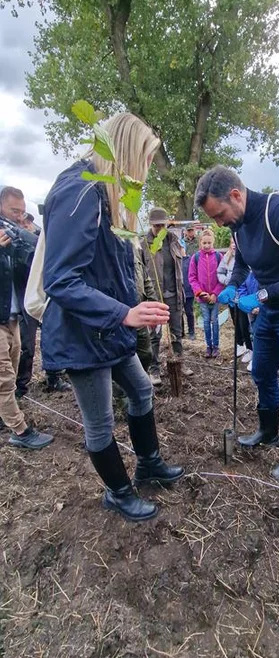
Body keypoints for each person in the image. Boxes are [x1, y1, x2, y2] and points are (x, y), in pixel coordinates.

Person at [41, 113, 184, 523]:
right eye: (143, 158)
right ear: (125, 152)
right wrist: (125, 313)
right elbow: (61, 280)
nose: (144, 171)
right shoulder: (81, 191)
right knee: (100, 421)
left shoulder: (108, 194)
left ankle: (148, 463)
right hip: (82, 333)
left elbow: (111, 267)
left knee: (141, 390)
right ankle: (118, 493)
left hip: (111, 329)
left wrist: (139, 306)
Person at [194, 167, 279, 481]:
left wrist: (264, 295)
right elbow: (242, 261)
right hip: (270, 309)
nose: (219, 223)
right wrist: (235, 286)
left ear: (236, 196)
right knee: (261, 372)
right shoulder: (238, 224)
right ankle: (268, 431)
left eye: (219, 214)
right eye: (214, 218)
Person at [0, 187, 53, 449]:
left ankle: (5, 412)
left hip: (11, 315)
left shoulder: (16, 234)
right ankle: (20, 432)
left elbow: (33, 257)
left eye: (22, 211)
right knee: (3, 376)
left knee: (16, 360)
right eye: (14, 211)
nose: (20, 217)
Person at [142, 207, 193, 387]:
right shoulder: (144, 244)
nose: (159, 228)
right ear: (151, 225)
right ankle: (154, 369)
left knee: (176, 332)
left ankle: (179, 362)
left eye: (162, 225)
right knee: (154, 336)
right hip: (154, 297)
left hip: (174, 295)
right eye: (156, 226)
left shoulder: (174, 241)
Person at [188, 229, 223, 358]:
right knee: (206, 322)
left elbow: (222, 277)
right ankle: (208, 346)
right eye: (204, 243)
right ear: (200, 243)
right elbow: (192, 278)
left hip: (214, 298)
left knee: (215, 321)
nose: (207, 245)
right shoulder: (196, 258)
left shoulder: (219, 257)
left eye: (209, 243)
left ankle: (216, 346)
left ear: (213, 242)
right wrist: (200, 292)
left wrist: (215, 294)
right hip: (202, 298)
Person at [217, 239, 252, 359]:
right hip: (232, 296)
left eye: (235, 243)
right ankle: (239, 344)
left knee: (245, 323)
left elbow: (248, 276)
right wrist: (229, 283)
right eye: (232, 243)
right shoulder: (226, 258)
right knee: (235, 321)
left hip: (244, 296)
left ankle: (249, 349)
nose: (234, 245)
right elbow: (220, 272)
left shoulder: (249, 257)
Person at [131, 236, 157, 372]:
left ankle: (140, 381)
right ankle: (121, 392)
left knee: (146, 353)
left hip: (139, 311)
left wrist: (153, 304)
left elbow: (145, 278)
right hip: (122, 314)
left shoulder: (135, 249)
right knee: (123, 356)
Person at [182, 253, 195, 340]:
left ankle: (191, 331)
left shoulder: (189, 260)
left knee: (189, 312)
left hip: (188, 291)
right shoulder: (174, 259)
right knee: (178, 314)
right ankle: (180, 332)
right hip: (178, 291)